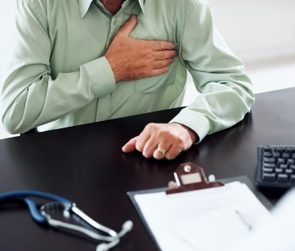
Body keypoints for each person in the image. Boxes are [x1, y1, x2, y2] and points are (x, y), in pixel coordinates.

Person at [0, 0, 254, 160]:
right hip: (60, 164)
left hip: (149, 161)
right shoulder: (38, 4)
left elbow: (232, 84)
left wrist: (186, 126)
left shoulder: (182, 5)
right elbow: (15, 111)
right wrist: (111, 69)